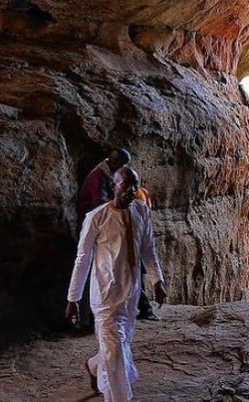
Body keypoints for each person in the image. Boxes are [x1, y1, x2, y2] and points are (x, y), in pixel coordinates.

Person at [66, 166, 167, 401]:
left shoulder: (141, 211)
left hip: (130, 292)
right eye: (126, 184)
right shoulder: (97, 218)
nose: (131, 190)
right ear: (114, 185)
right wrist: (73, 298)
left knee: (120, 343)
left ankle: (93, 366)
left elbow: (148, 249)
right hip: (104, 294)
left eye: (135, 185)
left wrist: (157, 280)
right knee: (114, 351)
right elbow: (83, 259)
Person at [77, 148, 131, 225]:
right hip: (90, 218)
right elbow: (99, 202)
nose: (124, 167)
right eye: (123, 164)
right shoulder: (98, 176)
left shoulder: (111, 172)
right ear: (115, 162)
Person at [134, 185, 159, 321]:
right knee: (137, 281)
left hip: (134, 244)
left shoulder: (138, 195)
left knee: (135, 282)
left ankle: (146, 309)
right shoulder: (143, 192)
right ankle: (145, 309)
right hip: (138, 242)